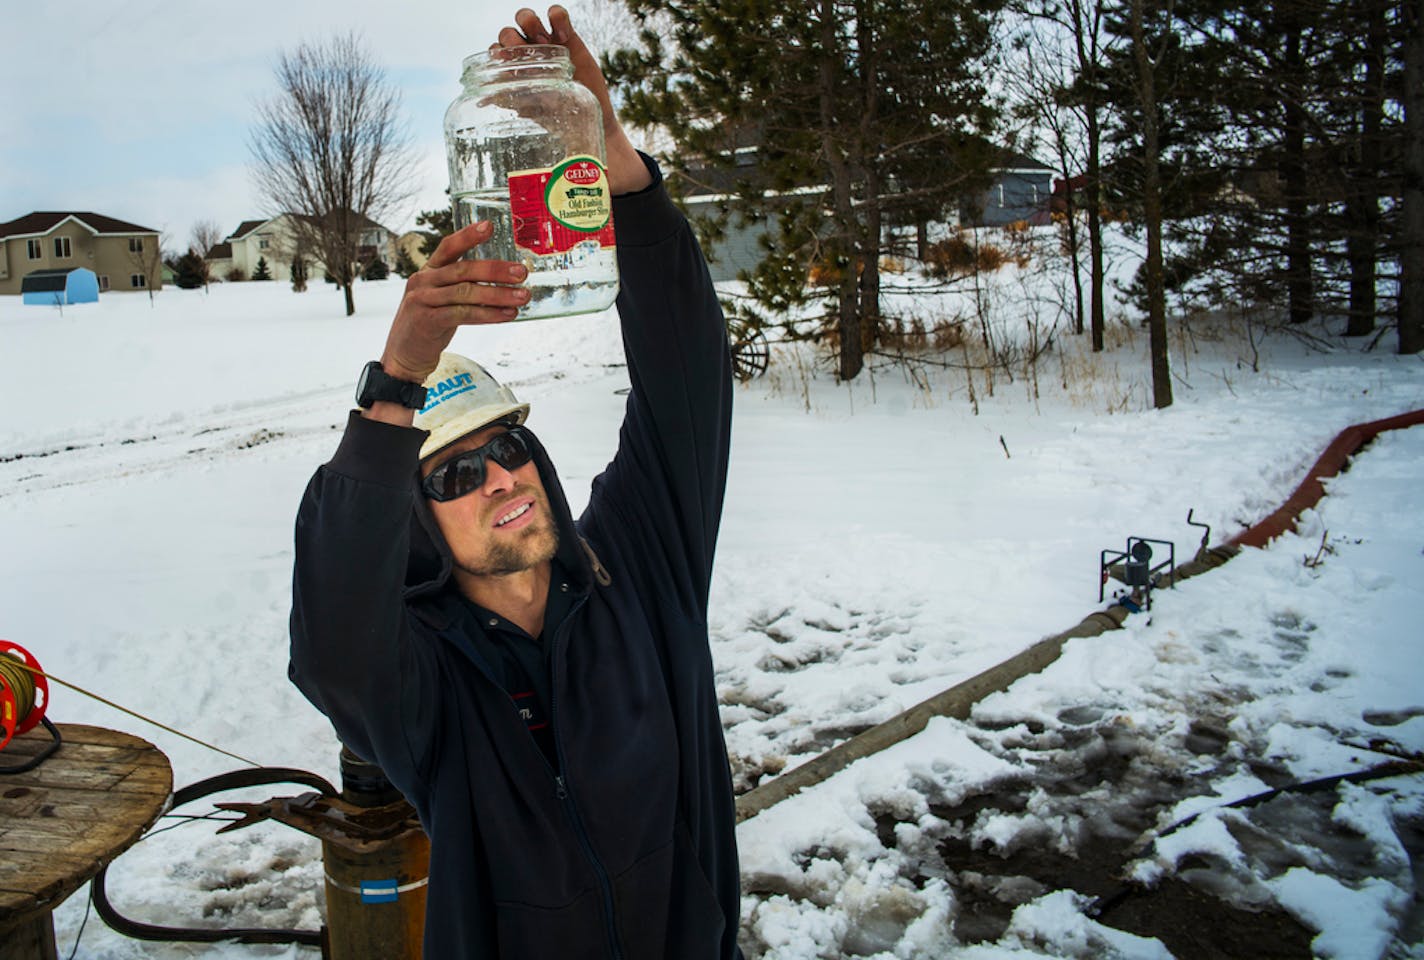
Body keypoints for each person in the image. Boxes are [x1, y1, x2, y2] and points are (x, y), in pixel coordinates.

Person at [287, 6, 743, 958]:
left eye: (508, 448)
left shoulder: (640, 575)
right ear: (412, 519)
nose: (500, 476)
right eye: (454, 471)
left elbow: (688, 381)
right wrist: (397, 380)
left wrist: (608, 150)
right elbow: (332, 641)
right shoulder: (425, 685)